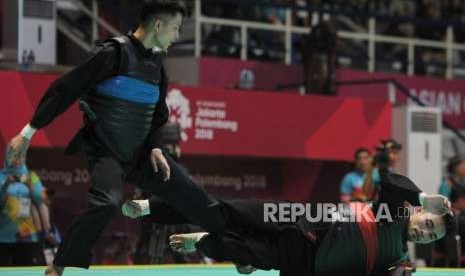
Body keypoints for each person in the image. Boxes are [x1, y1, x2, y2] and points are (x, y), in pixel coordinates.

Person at [5, 2, 229, 275]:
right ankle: (60, 264)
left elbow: (158, 115)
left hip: (142, 154)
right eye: (175, 28)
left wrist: (156, 147)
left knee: (194, 195)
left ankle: (238, 249)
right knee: (106, 203)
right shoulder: (112, 53)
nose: (176, 35)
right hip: (106, 150)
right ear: (158, 26)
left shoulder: (157, 65)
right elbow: (64, 89)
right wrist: (27, 133)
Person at [123, 163, 456, 275]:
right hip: (300, 217)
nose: (424, 233)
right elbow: (391, 180)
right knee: (218, 212)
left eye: (431, 237)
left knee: (229, 244)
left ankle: (203, 240)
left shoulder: (398, 260)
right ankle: (156, 205)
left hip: (304, 262)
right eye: (428, 224)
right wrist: (424, 197)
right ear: (422, 214)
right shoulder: (398, 214)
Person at [0, 165, 46, 266]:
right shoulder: (1, 176)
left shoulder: (31, 176)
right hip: (2, 236)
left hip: (27, 235)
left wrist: (30, 186)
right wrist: (5, 185)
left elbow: (42, 199)